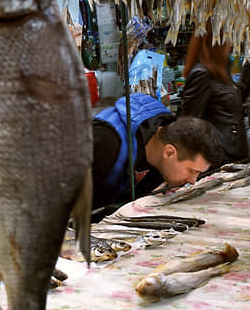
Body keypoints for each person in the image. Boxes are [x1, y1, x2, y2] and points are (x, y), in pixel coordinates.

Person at [91, 92, 222, 214]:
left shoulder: (162, 147)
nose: (193, 181)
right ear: (169, 152)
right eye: (192, 171)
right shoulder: (105, 144)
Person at [178, 23, 250, 164]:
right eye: (228, 39)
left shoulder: (221, 71)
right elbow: (189, 122)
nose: (231, 45)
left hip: (234, 152)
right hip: (221, 157)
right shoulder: (202, 74)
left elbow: (236, 99)